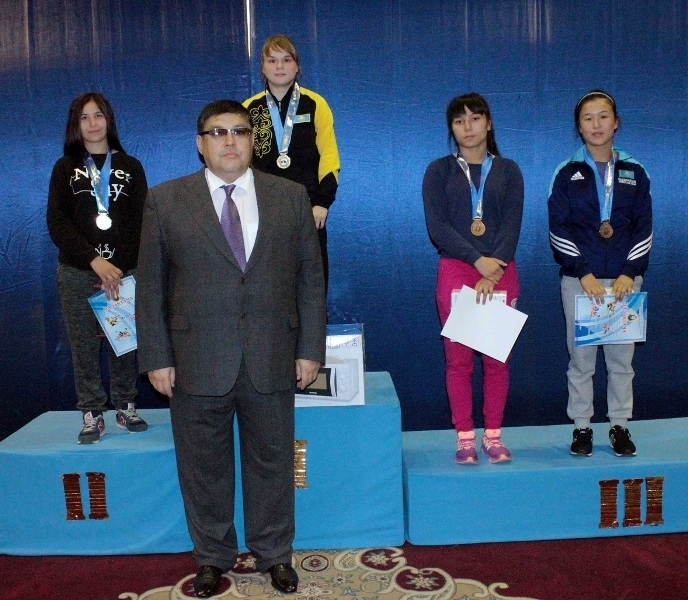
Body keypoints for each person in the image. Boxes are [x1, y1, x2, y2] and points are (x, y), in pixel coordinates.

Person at [135, 99, 326, 598]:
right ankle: (212, 558)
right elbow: (150, 287)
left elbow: (310, 280)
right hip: (194, 359)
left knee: (273, 462)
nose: (229, 140)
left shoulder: (290, 196)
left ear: (252, 140)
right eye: (217, 132)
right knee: (203, 469)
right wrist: (156, 356)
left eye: (239, 131)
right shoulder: (165, 200)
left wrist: (310, 348)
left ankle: (274, 554)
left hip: (272, 354)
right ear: (200, 143)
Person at [548, 89, 652, 458]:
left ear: (616, 122)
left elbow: (644, 227)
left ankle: (619, 425)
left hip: (624, 282)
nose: (596, 124)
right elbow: (557, 228)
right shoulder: (566, 173)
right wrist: (583, 272)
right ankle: (582, 427)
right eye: (588, 117)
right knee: (581, 361)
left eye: (603, 116)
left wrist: (629, 272)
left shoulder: (635, 172)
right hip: (582, 283)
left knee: (622, 361)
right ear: (579, 126)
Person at [422, 92, 524, 465]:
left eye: (475, 118)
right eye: (459, 120)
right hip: (457, 269)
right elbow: (437, 227)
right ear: (451, 128)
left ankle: (493, 435)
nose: (468, 127)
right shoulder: (439, 171)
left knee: (497, 361)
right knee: (458, 362)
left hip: (501, 269)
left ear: (489, 123)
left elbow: (512, 224)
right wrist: (477, 261)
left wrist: (493, 267)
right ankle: (465, 437)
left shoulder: (509, 170)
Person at [47, 92, 149, 444]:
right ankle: (91, 412)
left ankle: (125, 405)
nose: (92, 123)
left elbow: (140, 222)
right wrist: (95, 261)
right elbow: (57, 222)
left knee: (123, 343)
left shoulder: (131, 166)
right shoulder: (65, 167)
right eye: (84, 117)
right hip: (78, 271)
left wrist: (116, 267)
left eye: (98, 115)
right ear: (75, 125)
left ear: (109, 120)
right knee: (84, 346)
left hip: (122, 271)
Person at [243, 34, 340, 290]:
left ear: (297, 66)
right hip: (262, 211)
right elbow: (242, 163)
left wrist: (322, 203)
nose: (279, 66)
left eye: (286, 60)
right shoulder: (249, 109)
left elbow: (329, 156)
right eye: (272, 60)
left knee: (312, 283)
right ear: (263, 68)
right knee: (268, 284)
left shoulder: (315, 104)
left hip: (307, 210)